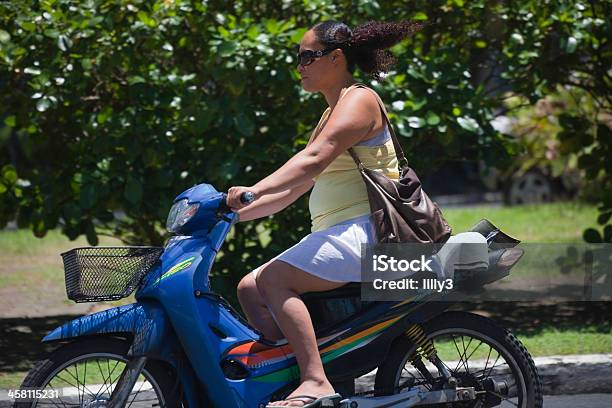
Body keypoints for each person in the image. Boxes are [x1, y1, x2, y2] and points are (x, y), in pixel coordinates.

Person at [226, 19, 424, 408]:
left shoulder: (360, 100)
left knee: (277, 280)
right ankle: (286, 376)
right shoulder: (331, 111)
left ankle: (316, 380)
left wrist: (252, 190)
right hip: (341, 231)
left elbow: (312, 160)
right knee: (250, 286)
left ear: (336, 58)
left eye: (306, 57)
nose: (299, 66)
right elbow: (296, 188)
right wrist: (227, 217)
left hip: (372, 231)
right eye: (297, 58)